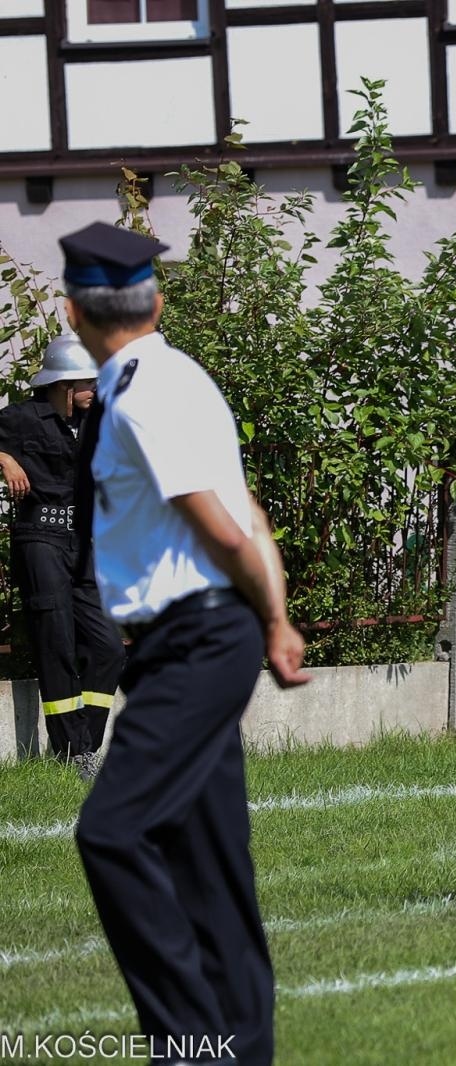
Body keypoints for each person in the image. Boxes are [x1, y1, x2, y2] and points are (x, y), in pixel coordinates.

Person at [61, 221, 311, 1066]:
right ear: (157, 302)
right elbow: (252, 516)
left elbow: (223, 527)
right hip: (205, 634)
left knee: (113, 831)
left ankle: (192, 1047)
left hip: (197, 636)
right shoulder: (177, 376)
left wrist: (272, 620)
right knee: (209, 866)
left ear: (72, 313)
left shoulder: (137, 398)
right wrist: (271, 617)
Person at [0, 332, 125, 779]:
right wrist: (5, 459)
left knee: (109, 647)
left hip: (84, 545)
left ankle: (84, 745)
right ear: (62, 385)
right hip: (39, 540)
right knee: (56, 640)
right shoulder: (22, 419)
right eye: (88, 381)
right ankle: (74, 752)